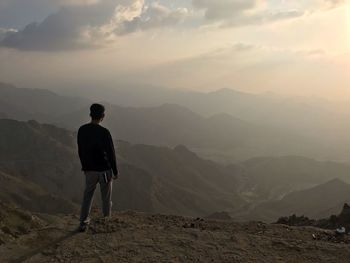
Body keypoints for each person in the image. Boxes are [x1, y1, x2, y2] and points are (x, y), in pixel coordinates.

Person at [77, 103, 118, 232]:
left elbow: (81, 150)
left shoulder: (82, 130)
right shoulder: (104, 132)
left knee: (87, 196)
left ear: (90, 114)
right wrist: (115, 171)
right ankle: (106, 220)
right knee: (106, 197)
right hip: (104, 171)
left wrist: (85, 166)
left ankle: (83, 222)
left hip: (90, 170)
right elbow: (111, 153)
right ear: (103, 116)